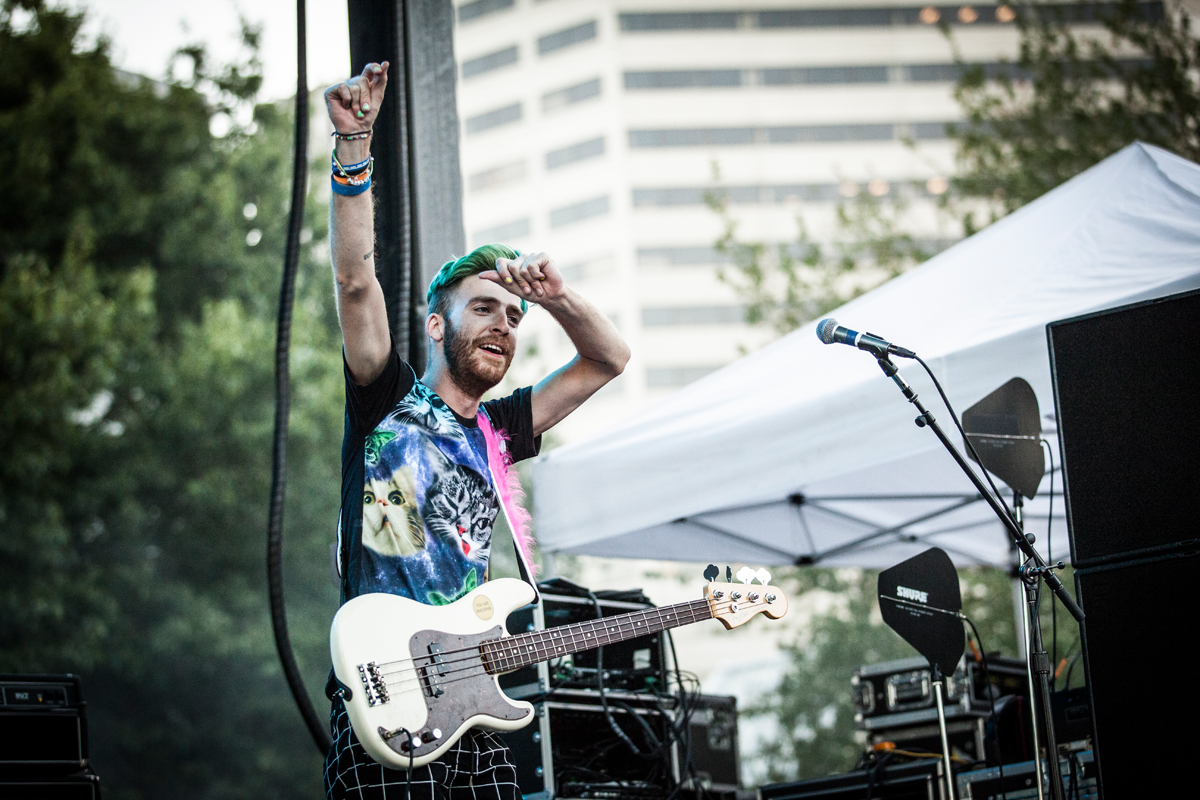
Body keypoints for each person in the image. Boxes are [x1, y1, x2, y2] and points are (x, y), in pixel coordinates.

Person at [321, 62, 630, 800]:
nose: (504, 325)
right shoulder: (386, 399)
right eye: (484, 308)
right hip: (385, 708)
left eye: (513, 316)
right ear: (438, 324)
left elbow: (609, 357)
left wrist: (554, 298)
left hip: (475, 727)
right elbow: (356, 282)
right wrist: (354, 146)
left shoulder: (502, 428)